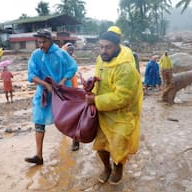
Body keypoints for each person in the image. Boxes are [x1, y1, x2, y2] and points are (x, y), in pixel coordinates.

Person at [85, 31, 143, 184]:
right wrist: (91, 83)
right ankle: (106, 167)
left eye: (108, 47)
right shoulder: (100, 60)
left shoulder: (126, 68)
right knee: (101, 144)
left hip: (122, 114)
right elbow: (99, 79)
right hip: (102, 112)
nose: (103, 51)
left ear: (118, 46)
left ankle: (118, 168)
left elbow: (123, 98)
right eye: (101, 47)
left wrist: (96, 100)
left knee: (118, 145)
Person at [25, 29, 77, 165]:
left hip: (61, 92)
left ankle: (75, 138)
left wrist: (62, 81)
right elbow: (31, 75)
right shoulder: (35, 55)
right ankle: (39, 156)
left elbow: (72, 67)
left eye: (44, 42)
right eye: (39, 42)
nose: (41, 45)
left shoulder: (61, 54)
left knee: (68, 118)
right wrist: (45, 85)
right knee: (39, 120)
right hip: (44, 93)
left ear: (51, 40)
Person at [62, 42, 80, 151]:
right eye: (69, 50)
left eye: (72, 50)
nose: (71, 52)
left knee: (74, 117)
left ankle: (75, 141)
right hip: (65, 91)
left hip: (73, 91)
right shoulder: (61, 61)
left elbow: (74, 74)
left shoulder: (72, 61)